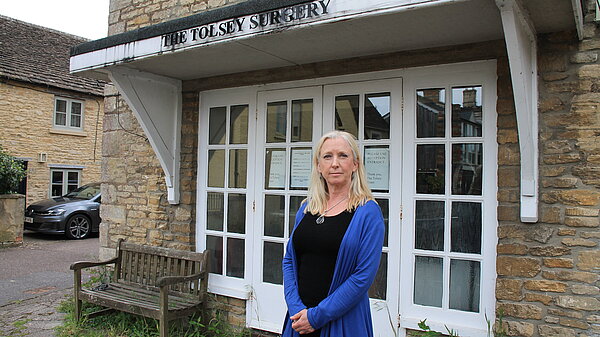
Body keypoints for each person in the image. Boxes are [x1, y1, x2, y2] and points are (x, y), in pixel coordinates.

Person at [281, 130, 385, 337]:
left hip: (343, 320)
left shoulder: (368, 212)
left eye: (343, 156)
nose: (334, 163)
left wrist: (316, 317)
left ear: (355, 164)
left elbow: (362, 277)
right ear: (319, 166)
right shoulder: (306, 209)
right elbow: (289, 260)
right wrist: (295, 308)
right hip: (299, 320)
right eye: (327, 156)